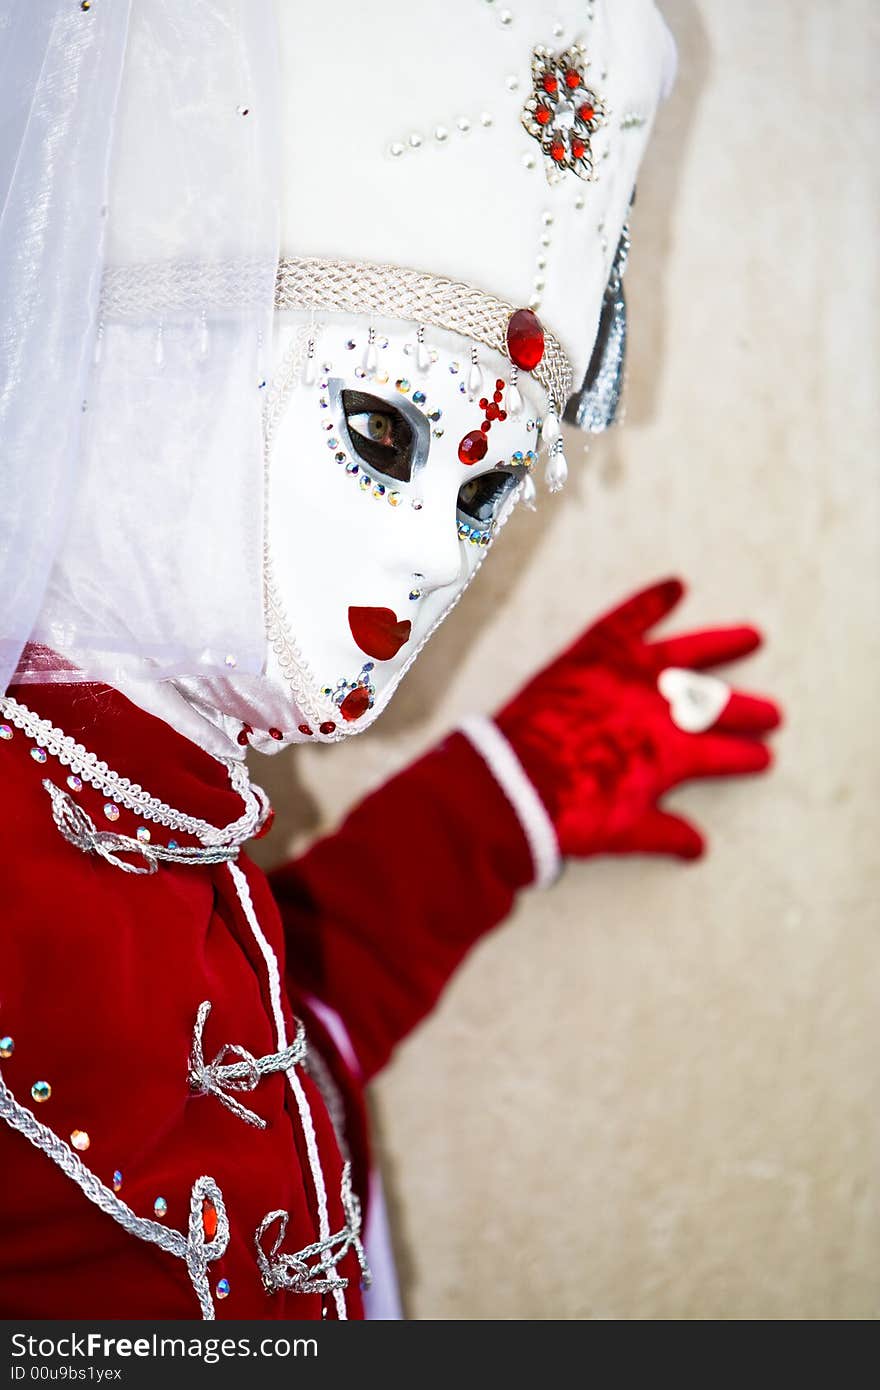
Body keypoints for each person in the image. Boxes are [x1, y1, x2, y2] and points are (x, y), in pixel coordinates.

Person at [0, 0, 779, 1319]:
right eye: (378, 426)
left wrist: (496, 802)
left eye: (485, 492)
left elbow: (226, 1076)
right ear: (148, 376)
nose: (434, 553)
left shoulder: (148, 810)